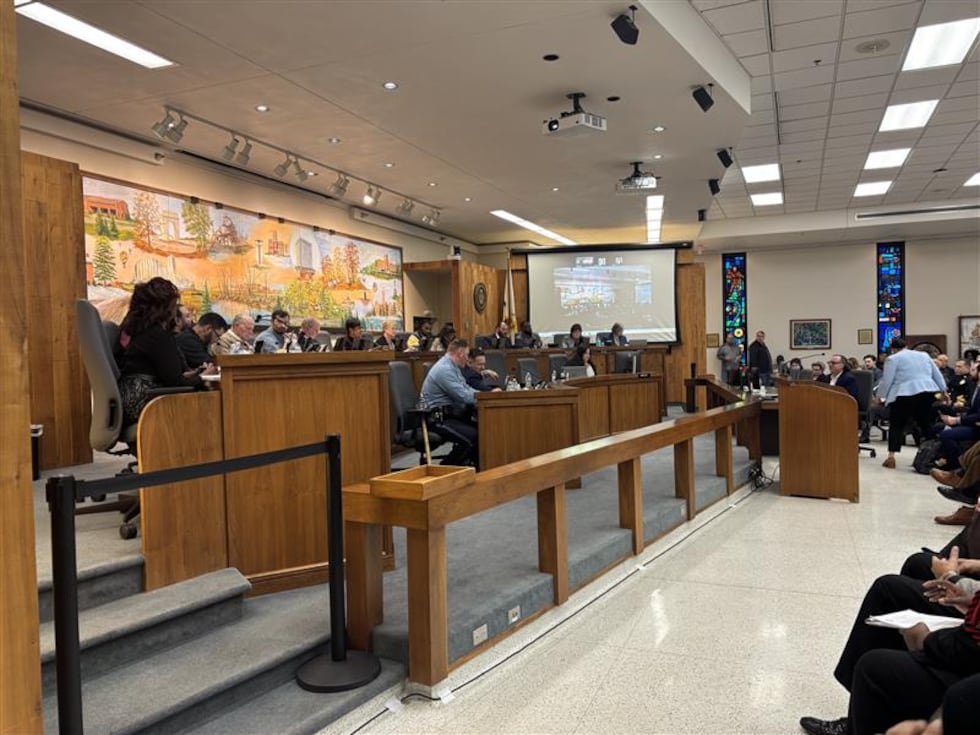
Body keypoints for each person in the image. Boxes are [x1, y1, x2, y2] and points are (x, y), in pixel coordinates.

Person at [117, 277, 215, 427]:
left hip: (128, 399)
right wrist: (203, 377)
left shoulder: (135, 329)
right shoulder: (157, 335)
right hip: (146, 402)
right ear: (165, 308)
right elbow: (176, 383)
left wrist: (192, 375)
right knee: (214, 403)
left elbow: (166, 375)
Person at [879, 337, 948, 469]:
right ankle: (931, 454)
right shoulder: (923, 355)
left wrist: (880, 396)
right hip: (927, 391)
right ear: (906, 346)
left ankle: (891, 457)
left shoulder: (893, 359)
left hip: (904, 393)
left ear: (893, 349)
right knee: (925, 424)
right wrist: (943, 390)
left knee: (897, 425)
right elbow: (936, 374)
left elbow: (887, 380)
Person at [419, 339, 482, 466]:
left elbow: (466, 389)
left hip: (449, 416)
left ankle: (470, 469)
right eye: (467, 355)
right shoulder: (445, 369)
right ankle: (446, 468)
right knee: (476, 437)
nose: (467, 359)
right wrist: (484, 397)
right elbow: (463, 396)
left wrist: (485, 396)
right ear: (460, 353)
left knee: (483, 430)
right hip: (437, 419)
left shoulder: (452, 367)